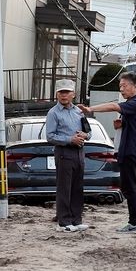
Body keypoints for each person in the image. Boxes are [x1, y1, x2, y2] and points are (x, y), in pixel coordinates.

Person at [79, 72, 136, 234]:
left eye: (125, 86)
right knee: (130, 188)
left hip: (131, 152)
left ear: (135, 86)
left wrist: (90, 109)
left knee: (129, 188)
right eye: (120, 86)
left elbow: (113, 106)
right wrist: (120, 124)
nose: (122, 89)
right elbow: (126, 123)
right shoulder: (133, 104)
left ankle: (135, 223)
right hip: (129, 151)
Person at [46, 79, 90, 233]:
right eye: (61, 92)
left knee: (78, 187)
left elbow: (88, 132)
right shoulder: (53, 113)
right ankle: (64, 221)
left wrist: (85, 135)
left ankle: (76, 220)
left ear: (73, 94)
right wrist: (69, 139)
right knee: (64, 188)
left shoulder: (78, 111)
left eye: (67, 92)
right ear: (57, 94)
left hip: (79, 152)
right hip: (64, 153)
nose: (64, 95)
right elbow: (50, 136)